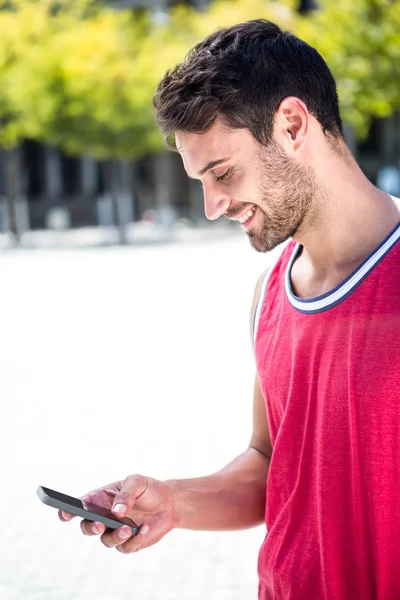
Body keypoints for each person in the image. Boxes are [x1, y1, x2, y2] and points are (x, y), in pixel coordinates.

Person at [60, 19, 400, 599]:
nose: (213, 205)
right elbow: (274, 464)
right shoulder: (270, 295)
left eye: (222, 172)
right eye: (200, 180)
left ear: (292, 125)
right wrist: (172, 501)